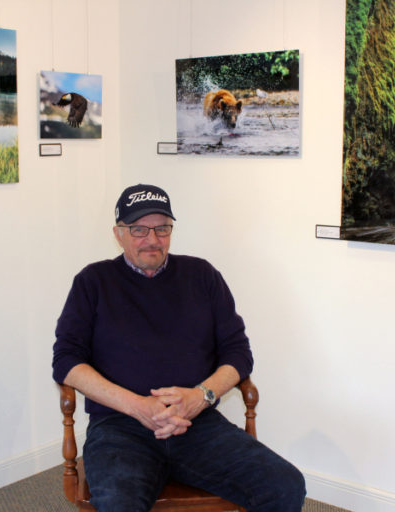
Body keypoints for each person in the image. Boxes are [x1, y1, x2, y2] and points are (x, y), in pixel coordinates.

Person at [52, 184, 306, 511]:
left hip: (198, 424)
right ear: (118, 233)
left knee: (285, 484)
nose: (152, 239)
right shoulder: (93, 282)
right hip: (120, 428)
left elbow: (238, 353)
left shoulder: (202, 276)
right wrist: (138, 406)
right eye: (139, 229)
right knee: (118, 502)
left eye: (162, 228)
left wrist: (200, 396)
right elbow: (67, 361)